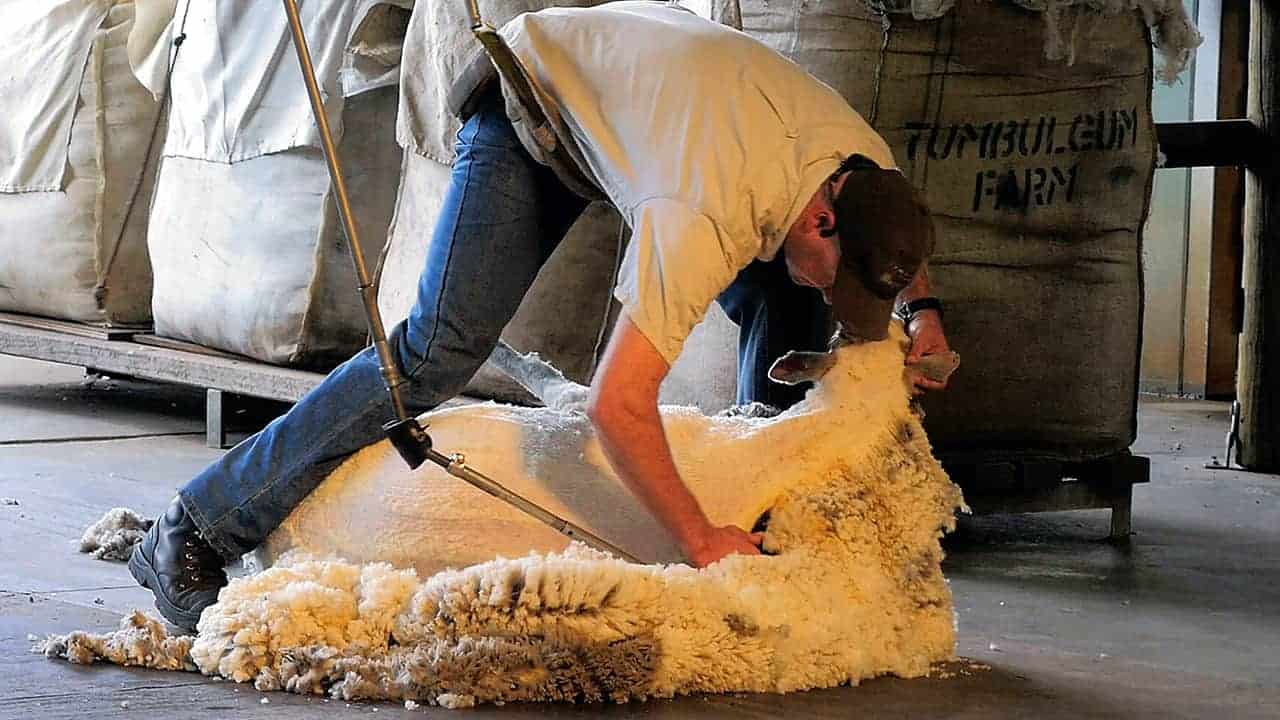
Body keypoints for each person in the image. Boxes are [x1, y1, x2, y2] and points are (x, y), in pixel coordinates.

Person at [129, 0, 951, 632]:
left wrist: (922, 314)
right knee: (431, 352)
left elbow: (888, 248)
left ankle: (766, 510)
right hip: (538, 102)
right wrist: (696, 539)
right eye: (840, 279)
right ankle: (195, 526)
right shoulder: (703, 210)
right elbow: (616, 406)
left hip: (656, 103)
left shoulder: (858, 163)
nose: (836, 297)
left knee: (786, 292)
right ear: (822, 218)